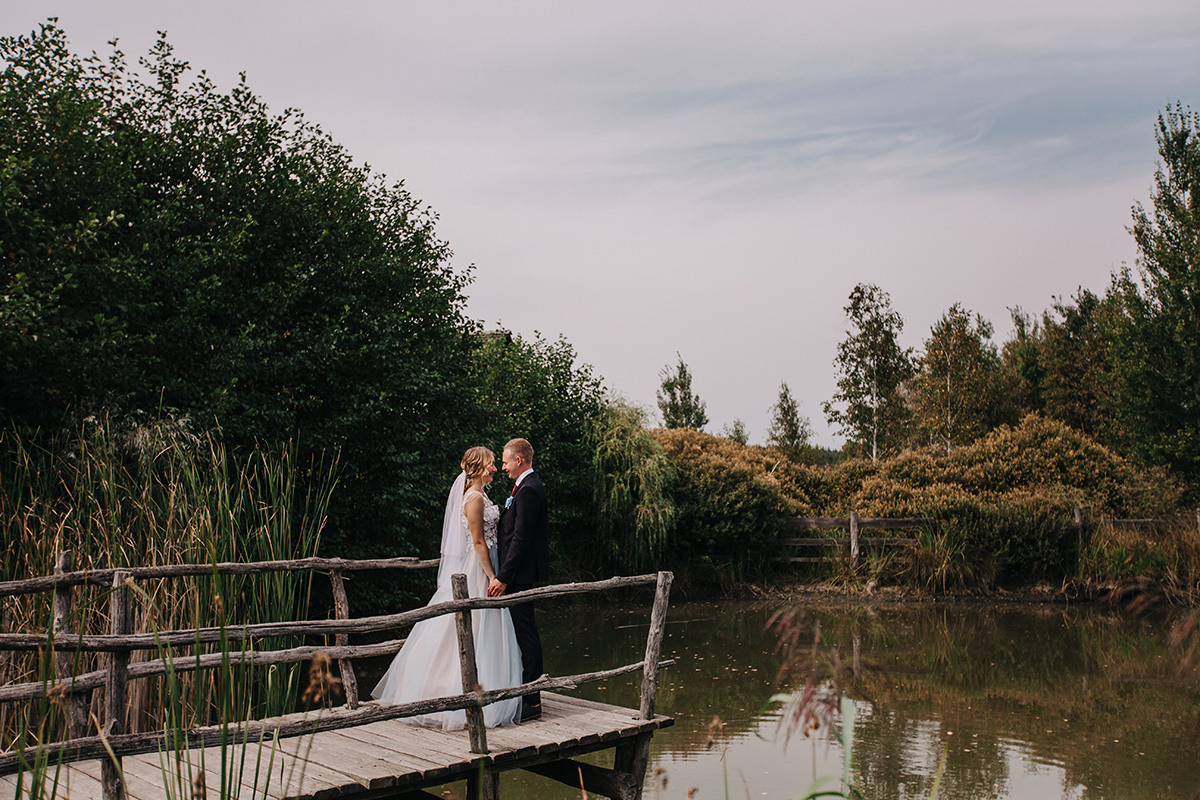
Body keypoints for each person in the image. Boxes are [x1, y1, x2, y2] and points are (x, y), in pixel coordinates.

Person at [371, 447, 523, 729]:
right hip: (478, 569)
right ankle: (449, 696)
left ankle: (487, 690)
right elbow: (478, 542)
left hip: (487, 562)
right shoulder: (473, 498)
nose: (495, 469)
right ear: (478, 467)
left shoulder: (482, 495)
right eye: (491, 464)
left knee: (484, 629)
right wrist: (492, 576)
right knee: (469, 626)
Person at [488, 437, 549, 722]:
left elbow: (521, 538)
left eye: (505, 462)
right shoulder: (524, 487)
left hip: (519, 576)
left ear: (519, 460)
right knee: (521, 633)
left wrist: (504, 577)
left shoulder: (530, 490)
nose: (503, 467)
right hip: (517, 574)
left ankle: (532, 701)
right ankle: (523, 694)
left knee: (526, 635)